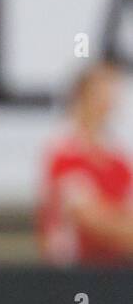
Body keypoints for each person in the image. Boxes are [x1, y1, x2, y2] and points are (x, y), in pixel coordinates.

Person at [38, 61, 133, 265]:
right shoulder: (64, 152)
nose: (109, 101)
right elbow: (89, 219)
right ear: (82, 96)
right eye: (101, 93)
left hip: (117, 272)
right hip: (75, 274)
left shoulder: (118, 157)